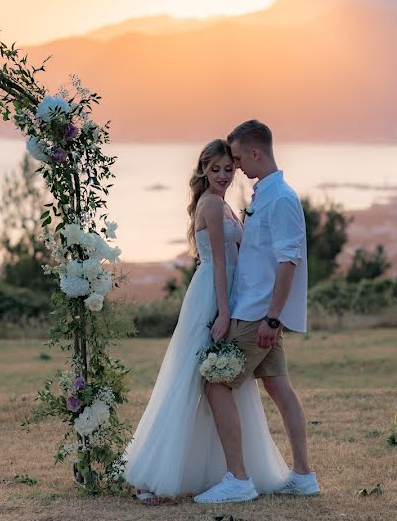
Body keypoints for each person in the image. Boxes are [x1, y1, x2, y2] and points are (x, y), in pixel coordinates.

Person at [123, 139, 288, 503]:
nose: (224, 175)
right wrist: (225, 314)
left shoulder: (224, 204)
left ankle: (223, 470)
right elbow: (217, 263)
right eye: (216, 169)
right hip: (212, 297)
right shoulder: (211, 205)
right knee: (191, 382)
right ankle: (154, 474)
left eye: (229, 168)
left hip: (228, 293)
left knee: (222, 386)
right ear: (203, 169)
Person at [194, 120, 320, 504]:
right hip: (257, 310)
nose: (236, 168)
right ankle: (303, 475)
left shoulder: (280, 198)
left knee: (216, 386)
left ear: (256, 153)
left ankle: (238, 479)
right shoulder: (264, 194)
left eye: (237, 158)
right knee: (279, 387)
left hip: (256, 315)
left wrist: (271, 318)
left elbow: (288, 261)